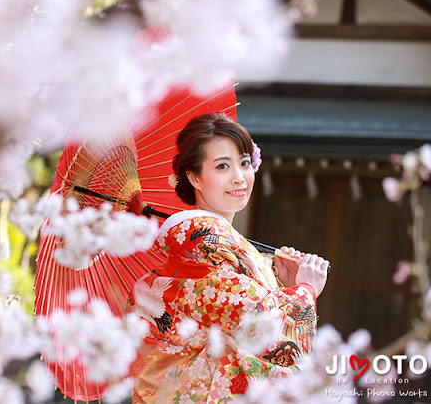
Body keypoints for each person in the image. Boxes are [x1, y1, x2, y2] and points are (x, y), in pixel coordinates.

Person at [130, 112, 329, 403]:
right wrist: (305, 291)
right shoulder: (199, 236)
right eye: (223, 166)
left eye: (245, 163)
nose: (239, 177)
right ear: (194, 176)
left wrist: (285, 284)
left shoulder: (222, 240)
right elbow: (250, 315)